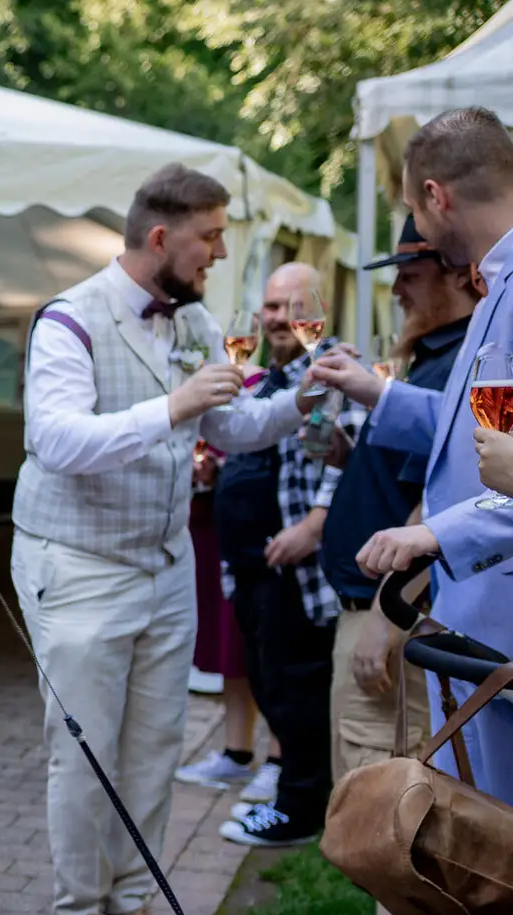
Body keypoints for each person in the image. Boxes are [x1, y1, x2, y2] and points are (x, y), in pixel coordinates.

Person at [11, 162, 314, 915]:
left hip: (165, 564)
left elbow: (239, 424)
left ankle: (132, 904)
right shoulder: (67, 321)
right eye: (209, 237)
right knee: (83, 749)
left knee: (154, 743)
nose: (219, 253)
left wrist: (304, 399)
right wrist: (172, 408)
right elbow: (58, 441)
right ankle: (78, 913)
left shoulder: (194, 323)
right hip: (77, 564)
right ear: (160, 237)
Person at [308, 106, 513, 915]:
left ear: (433, 197)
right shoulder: (496, 287)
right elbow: (483, 432)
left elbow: (512, 468)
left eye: (414, 216)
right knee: (484, 829)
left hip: (499, 611)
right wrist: (376, 391)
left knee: (497, 840)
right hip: (473, 618)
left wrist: (440, 536)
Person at [281, 218, 479, 915]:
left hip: (391, 606)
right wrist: (347, 450)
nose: (396, 283)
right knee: (373, 769)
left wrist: (391, 618)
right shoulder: (434, 352)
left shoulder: (463, 356)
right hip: (370, 598)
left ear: (457, 267)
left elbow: (444, 499)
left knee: (381, 776)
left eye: (409, 268)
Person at [209, 262, 344, 848]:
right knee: (271, 688)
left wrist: (314, 525)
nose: (277, 318)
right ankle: (293, 800)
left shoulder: (335, 367)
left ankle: (299, 811)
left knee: (299, 693)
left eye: (292, 306)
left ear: (317, 310)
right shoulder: (268, 378)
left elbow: (352, 453)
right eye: (269, 307)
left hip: (298, 569)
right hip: (252, 570)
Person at [179, 442, 281, 802]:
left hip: (267, 531)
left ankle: (279, 759)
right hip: (218, 525)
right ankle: (237, 751)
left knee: (270, 652)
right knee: (229, 645)